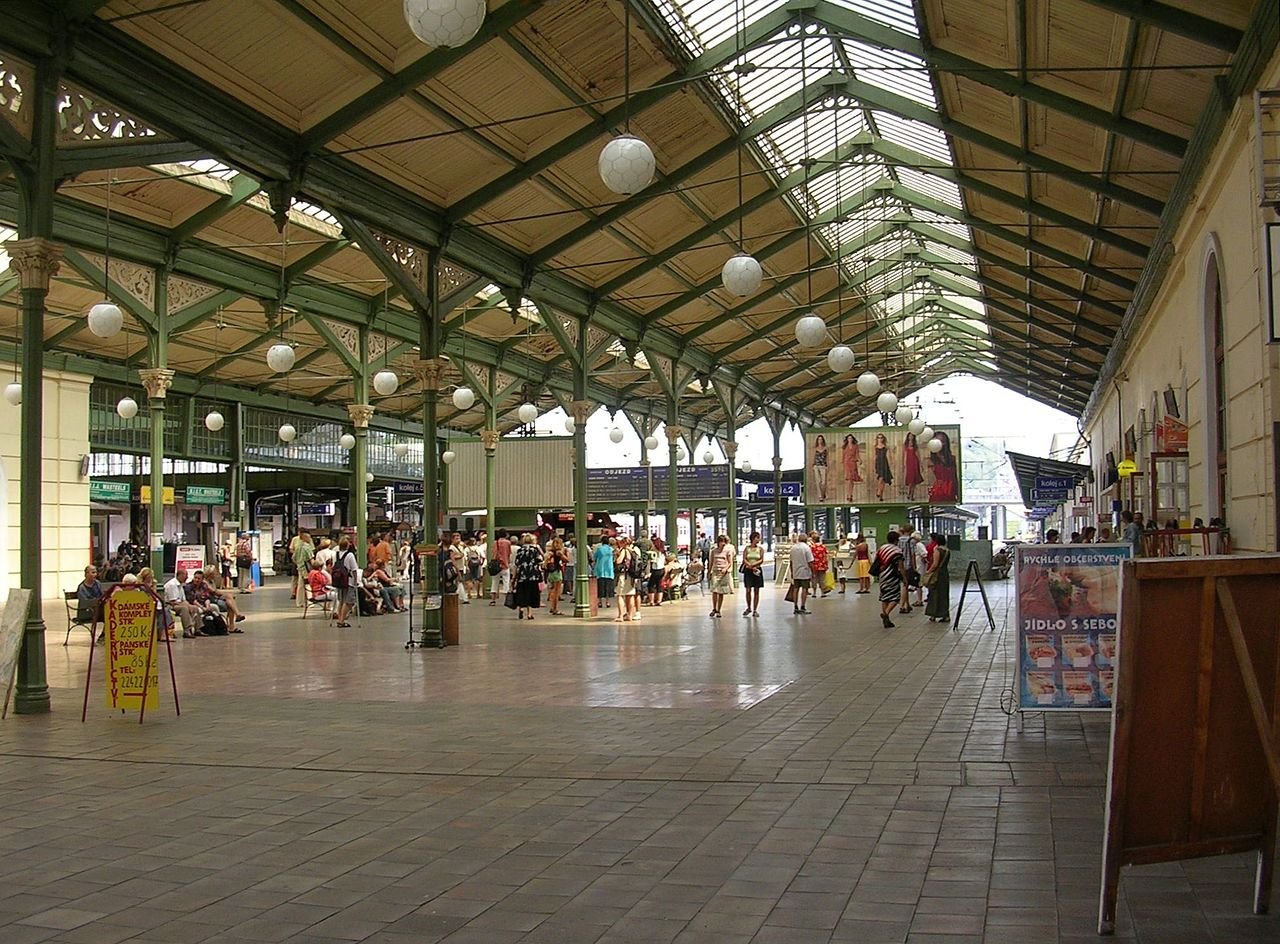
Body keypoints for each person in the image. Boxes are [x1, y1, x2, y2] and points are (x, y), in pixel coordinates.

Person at [874, 531, 905, 628]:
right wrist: (904, 578)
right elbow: (900, 567)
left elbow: (877, 561)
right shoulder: (897, 551)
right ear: (896, 540)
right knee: (895, 597)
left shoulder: (882, 548)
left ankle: (886, 620)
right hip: (892, 576)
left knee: (885, 598)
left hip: (882, 575)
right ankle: (886, 613)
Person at [138, 568, 177, 640]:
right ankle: (162, 634)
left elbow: (155, 595)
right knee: (163, 612)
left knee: (165, 611)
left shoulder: (153, 583)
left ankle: (163, 633)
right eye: (148, 577)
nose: (150, 579)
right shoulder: (139, 585)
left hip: (154, 602)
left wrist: (153, 588)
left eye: (151, 577)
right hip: (144, 603)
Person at [513, 532, 544, 620]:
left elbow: (517, 564)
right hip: (533, 575)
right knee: (531, 593)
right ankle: (529, 614)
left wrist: (514, 577)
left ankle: (521, 608)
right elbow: (540, 561)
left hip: (522, 575)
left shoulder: (520, 550)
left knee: (522, 592)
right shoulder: (535, 550)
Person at [332, 537, 360, 628]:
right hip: (349, 581)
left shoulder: (335, 555)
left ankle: (340, 618)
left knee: (341, 601)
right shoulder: (350, 555)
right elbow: (354, 569)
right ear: (347, 545)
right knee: (348, 602)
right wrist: (356, 581)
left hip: (339, 580)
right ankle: (341, 620)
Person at [923, 531, 951, 623]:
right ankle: (945, 614)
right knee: (944, 594)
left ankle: (933, 615)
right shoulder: (947, 550)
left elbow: (935, 564)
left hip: (937, 574)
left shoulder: (937, 550)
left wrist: (928, 571)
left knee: (934, 594)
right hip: (944, 573)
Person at [163, 567, 199, 637]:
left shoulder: (181, 585)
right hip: (170, 605)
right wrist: (187, 606)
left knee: (194, 608)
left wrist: (189, 605)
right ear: (180, 575)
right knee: (184, 609)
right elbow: (173, 601)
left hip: (179, 603)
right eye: (185, 575)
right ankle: (187, 630)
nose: (187, 577)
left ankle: (198, 629)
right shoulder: (172, 585)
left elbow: (183, 599)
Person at [613, 535, 641, 622]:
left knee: (620, 595)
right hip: (632, 576)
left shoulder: (625, 550)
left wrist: (617, 556)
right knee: (630, 595)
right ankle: (630, 615)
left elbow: (619, 561)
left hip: (623, 575)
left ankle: (620, 616)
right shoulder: (635, 550)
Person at [707, 534, 735, 618]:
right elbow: (711, 562)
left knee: (721, 592)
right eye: (721, 541)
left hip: (723, 573)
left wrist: (725, 569)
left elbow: (730, 562)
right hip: (715, 572)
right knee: (714, 591)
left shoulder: (728, 551)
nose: (723, 544)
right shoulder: (714, 551)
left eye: (724, 542)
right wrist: (709, 572)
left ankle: (719, 610)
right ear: (718, 542)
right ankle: (714, 608)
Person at [927, 431, 958, 503]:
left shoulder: (952, 458)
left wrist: (957, 493)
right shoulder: (930, 460)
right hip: (938, 492)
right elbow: (929, 481)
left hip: (950, 491)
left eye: (942, 441)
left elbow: (955, 477)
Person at [740, 531, 765, 616]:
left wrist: (753, 565)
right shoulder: (747, 549)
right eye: (757, 537)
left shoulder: (760, 549)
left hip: (757, 570)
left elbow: (761, 559)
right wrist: (749, 565)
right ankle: (749, 607)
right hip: (748, 571)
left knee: (756, 590)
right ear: (753, 538)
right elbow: (744, 559)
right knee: (748, 589)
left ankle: (755, 609)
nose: (759, 539)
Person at [789, 532, 813, 615]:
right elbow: (810, 561)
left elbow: (791, 562)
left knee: (796, 589)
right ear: (806, 539)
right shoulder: (807, 548)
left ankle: (795, 607)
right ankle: (802, 607)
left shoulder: (793, 548)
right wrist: (813, 572)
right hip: (804, 572)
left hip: (796, 572)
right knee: (804, 589)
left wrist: (792, 572)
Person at [543, 537, 568, 615]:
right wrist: (563, 555)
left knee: (552, 591)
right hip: (557, 572)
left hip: (551, 573)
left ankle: (552, 607)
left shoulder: (550, 552)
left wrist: (546, 564)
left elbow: (545, 561)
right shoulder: (558, 553)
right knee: (557, 592)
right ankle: (555, 608)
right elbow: (567, 560)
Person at [898, 525, 919, 614]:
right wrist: (914, 567)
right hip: (908, 565)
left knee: (904, 585)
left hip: (900, 565)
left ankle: (907, 604)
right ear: (911, 531)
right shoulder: (912, 541)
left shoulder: (899, 540)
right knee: (905, 586)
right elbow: (913, 555)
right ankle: (902, 606)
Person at [292, 530, 315, 607]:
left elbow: (293, 558)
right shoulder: (307, 547)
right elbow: (311, 559)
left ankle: (299, 602)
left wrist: (298, 563)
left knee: (300, 585)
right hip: (307, 569)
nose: (310, 539)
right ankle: (310, 601)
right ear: (305, 538)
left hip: (300, 568)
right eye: (309, 537)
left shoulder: (298, 547)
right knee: (308, 584)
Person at [491, 529, 512, 606]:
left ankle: (493, 600)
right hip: (505, 564)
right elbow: (509, 553)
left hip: (496, 565)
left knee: (494, 582)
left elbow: (494, 554)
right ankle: (506, 600)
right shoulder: (508, 543)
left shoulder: (495, 543)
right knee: (506, 582)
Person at [594, 537, 615, 610]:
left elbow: (594, 557)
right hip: (609, 571)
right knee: (608, 587)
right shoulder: (611, 549)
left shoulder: (599, 549)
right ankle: (607, 602)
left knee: (600, 587)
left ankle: (599, 602)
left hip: (600, 570)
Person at [463, 536, 484, 603]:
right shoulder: (478, 548)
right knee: (477, 579)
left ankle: (469, 594)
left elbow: (465, 558)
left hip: (470, 564)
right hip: (477, 564)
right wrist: (481, 563)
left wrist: (466, 566)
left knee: (469, 579)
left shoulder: (466, 549)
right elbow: (483, 557)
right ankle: (478, 594)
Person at [841, 434, 862, 503]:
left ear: (852, 439)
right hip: (847, 463)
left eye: (851, 438)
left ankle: (850, 494)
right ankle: (849, 495)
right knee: (848, 480)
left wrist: (859, 460)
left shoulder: (855, 446)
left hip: (853, 463)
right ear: (847, 439)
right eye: (849, 438)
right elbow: (843, 455)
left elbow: (857, 454)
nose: (850, 439)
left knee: (851, 480)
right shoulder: (845, 446)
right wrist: (842, 463)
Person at [809, 531, 830, 598]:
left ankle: (814, 593)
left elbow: (810, 557)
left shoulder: (812, 547)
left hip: (814, 565)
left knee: (814, 579)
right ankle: (822, 592)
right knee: (822, 579)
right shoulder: (823, 547)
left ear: (813, 540)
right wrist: (826, 564)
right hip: (822, 565)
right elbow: (826, 555)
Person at [873, 432, 893, 501]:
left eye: (881, 438)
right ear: (877, 439)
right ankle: (878, 490)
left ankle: (881, 495)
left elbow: (889, 456)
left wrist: (891, 463)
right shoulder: (875, 447)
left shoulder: (886, 447)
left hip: (884, 463)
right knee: (880, 478)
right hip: (878, 463)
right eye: (878, 437)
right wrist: (874, 464)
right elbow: (874, 456)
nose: (880, 439)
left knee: (883, 480)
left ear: (883, 439)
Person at [646, 539, 665, 608]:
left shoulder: (654, 552)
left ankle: (651, 601)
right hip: (662, 569)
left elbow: (651, 560)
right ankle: (659, 601)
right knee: (659, 585)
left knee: (650, 585)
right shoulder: (663, 552)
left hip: (656, 569)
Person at [811, 434, 829, 502]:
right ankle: (820, 496)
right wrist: (813, 465)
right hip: (816, 465)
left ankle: (823, 493)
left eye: (821, 439)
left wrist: (827, 465)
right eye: (819, 439)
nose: (820, 441)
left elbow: (827, 457)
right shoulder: (815, 449)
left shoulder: (825, 448)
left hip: (823, 465)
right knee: (818, 481)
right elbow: (814, 457)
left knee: (823, 482)